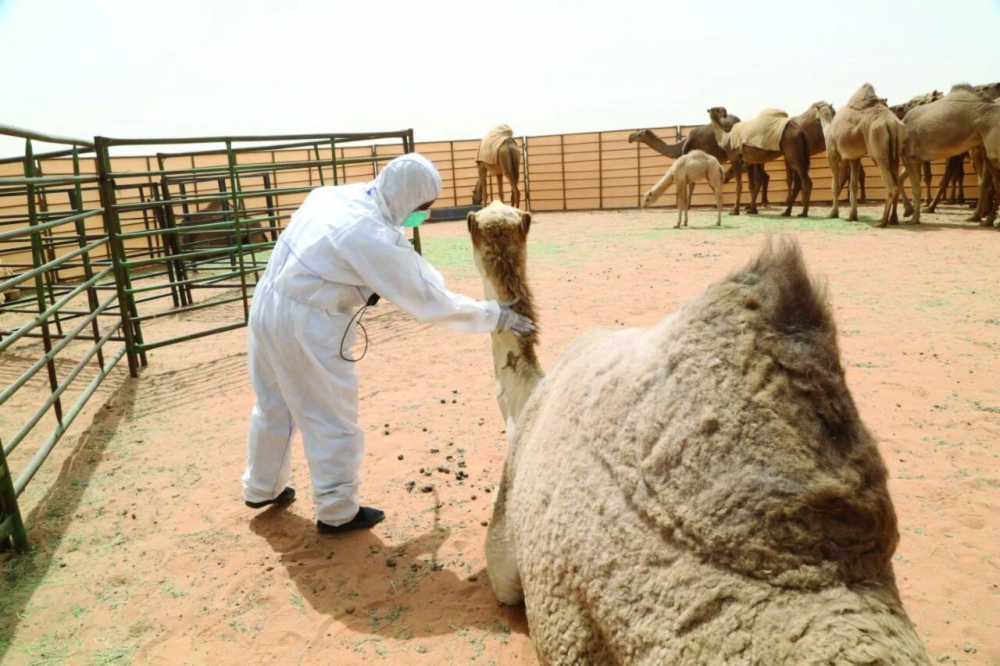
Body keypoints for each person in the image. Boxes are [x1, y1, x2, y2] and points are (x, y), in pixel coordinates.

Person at [241, 153, 534, 534]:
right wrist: (495, 314)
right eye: (423, 207)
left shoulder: (333, 195)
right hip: (306, 322)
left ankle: (261, 486)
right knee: (330, 415)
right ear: (409, 198)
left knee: (273, 402)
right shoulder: (370, 234)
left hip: (266, 304)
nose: (423, 214)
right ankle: (337, 510)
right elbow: (429, 298)